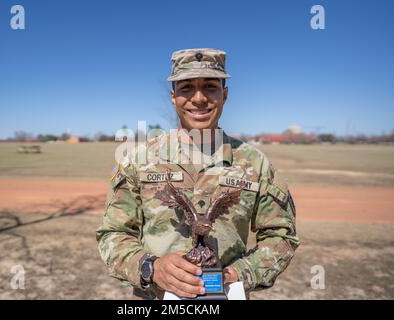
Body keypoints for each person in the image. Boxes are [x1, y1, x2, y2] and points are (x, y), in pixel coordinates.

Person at [96, 48, 300, 299]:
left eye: (211, 87)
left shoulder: (255, 164)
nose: (199, 98)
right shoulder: (139, 161)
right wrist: (151, 268)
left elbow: (281, 236)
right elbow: (114, 235)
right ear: (173, 96)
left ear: (224, 95)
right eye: (186, 88)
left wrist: (240, 273)